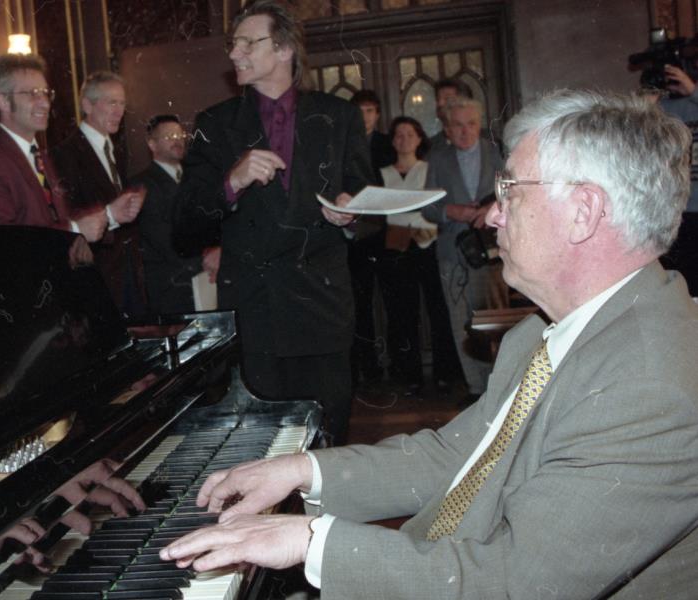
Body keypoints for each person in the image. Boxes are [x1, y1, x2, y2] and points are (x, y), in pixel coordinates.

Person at [160, 89, 698, 598]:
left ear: (583, 211)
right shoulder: (545, 330)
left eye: (510, 191)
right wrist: (300, 470)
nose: (493, 214)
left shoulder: (649, 386)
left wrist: (310, 542)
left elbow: (517, 584)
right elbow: (459, 456)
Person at [172, 0, 374, 445]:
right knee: (261, 452)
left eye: (248, 42)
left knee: (326, 448)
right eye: (233, 43)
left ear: (284, 49)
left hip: (321, 315)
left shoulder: (338, 116)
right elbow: (184, 227)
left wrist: (352, 212)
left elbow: (372, 211)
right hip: (254, 318)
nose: (234, 53)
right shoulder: (215, 123)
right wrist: (231, 182)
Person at [0, 54, 107, 242]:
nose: (45, 103)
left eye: (45, 93)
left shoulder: (39, 154)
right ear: (3, 102)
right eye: (32, 93)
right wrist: (75, 229)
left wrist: (108, 216)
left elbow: (54, 217)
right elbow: (2, 239)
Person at [421, 95, 507, 400]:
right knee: (461, 323)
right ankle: (476, 389)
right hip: (452, 254)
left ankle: (498, 390)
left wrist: (491, 208)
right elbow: (428, 208)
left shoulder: (496, 152)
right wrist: (451, 211)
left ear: (479, 123)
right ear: (446, 129)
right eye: (457, 125)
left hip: (492, 253)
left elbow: (514, 195)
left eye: (471, 124)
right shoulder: (437, 158)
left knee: (494, 322)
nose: (465, 131)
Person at [52, 72, 146, 317]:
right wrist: (111, 214)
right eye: (111, 102)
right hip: (95, 276)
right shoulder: (65, 154)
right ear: (87, 105)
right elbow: (68, 216)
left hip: (128, 272)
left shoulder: (116, 150)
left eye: (122, 103)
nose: (119, 111)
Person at [378, 116, 460, 388]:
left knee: (438, 309)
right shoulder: (383, 173)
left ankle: (445, 373)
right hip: (396, 245)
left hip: (428, 242)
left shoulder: (429, 168)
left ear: (419, 139)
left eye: (410, 134)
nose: (404, 140)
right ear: (392, 141)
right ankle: (409, 376)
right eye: (398, 135)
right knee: (402, 312)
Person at [131, 114, 213, 314]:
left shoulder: (196, 178)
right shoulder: (142, 184)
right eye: (169, 137)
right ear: (152, 144)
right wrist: (208, 258)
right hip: (172, 286)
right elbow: (163, 240)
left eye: (180, 136)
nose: (177, 141)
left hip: (205, 277)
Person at [347, 89, 391, 385]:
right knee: (359, 305)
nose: (365, 118)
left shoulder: (388, 144)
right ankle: (367, 369)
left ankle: (396, 368)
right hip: (355, 235)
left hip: (388, 232)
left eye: (370, 111)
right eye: (359, 111)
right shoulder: (343, 143)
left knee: (391, 301)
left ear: (378, 114)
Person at [656, 64, 698, 295]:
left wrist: (694, 92)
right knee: (681, 285)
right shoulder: (665, 107)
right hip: (675, 209)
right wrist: (644, 109)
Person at [427, 77, 474, 150]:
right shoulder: (429, 146)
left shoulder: (489, 141)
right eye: (437, 99)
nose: (440, 103)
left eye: (447, 98)